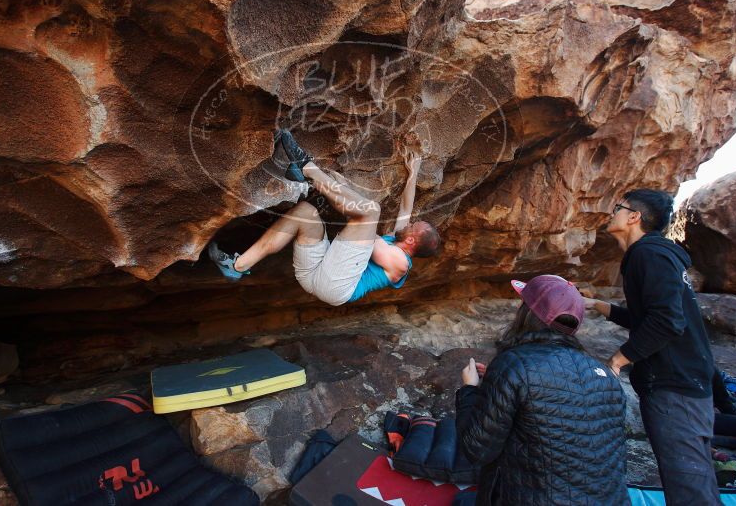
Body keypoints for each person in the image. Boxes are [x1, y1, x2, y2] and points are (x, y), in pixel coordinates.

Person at [585, 189, 720, 505]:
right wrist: (597, 305)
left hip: (674, 388)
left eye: (618, 207)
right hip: (686, 384)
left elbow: (668, 322)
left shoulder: (649, 255)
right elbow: (650, 317)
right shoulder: (655, 254)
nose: (612, 212)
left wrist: (618, 360)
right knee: (695, 479)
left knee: (689, 489)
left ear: (634, 217)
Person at [208, 130, 440, 306]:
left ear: (411, 241)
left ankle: (306, 167)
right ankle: (237, 265)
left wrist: (341, 189)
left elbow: (369, 236)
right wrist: (414, 171)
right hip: (314, 274)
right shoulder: (398, 240)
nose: (409, 224)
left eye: (413, 227)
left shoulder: (400, 263)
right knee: (304, 214)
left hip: (336, 288)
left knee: (371, 212)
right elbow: (405, 209)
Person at [455, 275, 628, 506]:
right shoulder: (605, 375)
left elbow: (476, 450)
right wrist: (499, 385)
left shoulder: (513, 364)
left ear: (527, 312)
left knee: (461, 501)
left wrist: (470, 390)